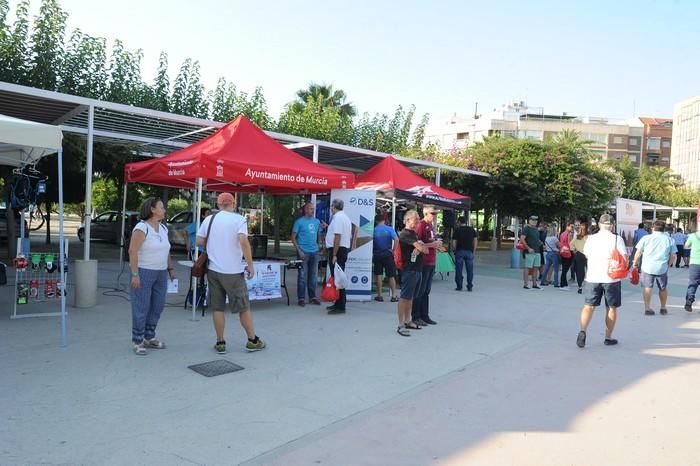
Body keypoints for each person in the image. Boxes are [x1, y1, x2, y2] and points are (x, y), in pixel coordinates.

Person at [196, 193, 265, 354]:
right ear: (233, 204)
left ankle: (220, 342)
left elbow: (199, 241)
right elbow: (243, 241)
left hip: (213, 270)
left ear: (219, 204)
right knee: (243, 307)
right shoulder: (238, 220)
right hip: (233, 271)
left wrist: (213, 243)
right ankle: (252, 340)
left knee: (218, 308)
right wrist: (250, 264)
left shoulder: (209, 219)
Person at [128, 197, 177, 355]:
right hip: (144, 271)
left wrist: (170, 269)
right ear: (152, 209)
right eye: (161, 207)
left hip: (161, 272)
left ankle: (149, 336)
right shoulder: (142, 228)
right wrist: (135, 274)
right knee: (141, 306)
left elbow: (166, 250)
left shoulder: (163, 228)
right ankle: (138, 340)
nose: (164, 210)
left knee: (158, 305)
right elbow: (132, 251)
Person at [576, 214, 627, 348]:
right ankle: (608, 337)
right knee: (611, 307)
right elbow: (624, 258)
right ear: (612, 225)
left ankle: (582, 331)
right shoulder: (617, 238)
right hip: (611, 278)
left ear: (599, 225)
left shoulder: (591, 239)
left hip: (592, 276)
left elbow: (586, 254)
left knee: (589, 306)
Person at [632, 220, 676, 316]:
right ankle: (663, 307)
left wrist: (635, 262)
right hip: (662, 267)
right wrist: (669, 264)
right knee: (663, 288)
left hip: (647, 267)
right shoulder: (669, 239)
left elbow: (638, 252)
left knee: (647, 287)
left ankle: (647, 308)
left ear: (652, 228)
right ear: (663, 229)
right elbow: (673, 255)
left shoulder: (646, 238)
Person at [396, 210, 428, 336]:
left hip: (417, 269)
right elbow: (422, 248)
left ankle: (408, 320)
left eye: (418, 221)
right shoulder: (405, 234)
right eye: (415, 221)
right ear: (408, 220)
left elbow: (424, 250)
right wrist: (419, 246)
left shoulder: (413, 234)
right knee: (404, 297)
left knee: (411, 297)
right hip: (409, 269)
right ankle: (400, 324)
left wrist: (420, 246)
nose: (417, 224)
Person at [411, 205, 443, 326]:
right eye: (432, 213)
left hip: (431, 261)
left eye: (436, 214)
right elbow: (416, 243)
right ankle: (416, 316)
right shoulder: (421, 225)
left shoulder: (430, 226)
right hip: (423, 262)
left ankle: (425, 315)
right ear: (425, 214)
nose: (435, 216)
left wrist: (437, 244)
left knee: (426, 290)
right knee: (420, 290)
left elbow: (429, 241)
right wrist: (432, 245)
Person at [291, 202, 322, 307]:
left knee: (313, 275)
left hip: (314, 252)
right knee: (302, 276)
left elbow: (318, 234)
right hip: (303, 252)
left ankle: (312, 297)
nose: (312, 211)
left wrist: (319, 245)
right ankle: (301, 298)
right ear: (305, 210)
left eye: (313, 209)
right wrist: (299, 250)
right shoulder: (299, 222)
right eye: (310, 209)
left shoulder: (316, 221)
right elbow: (293, 237)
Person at [325, 198, 352, 315]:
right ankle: (338, 303)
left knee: (338, 278)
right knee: (338, 278)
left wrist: (334, 254)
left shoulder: (338, 218)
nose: (331, 208)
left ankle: (341, 306)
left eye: (332, 206)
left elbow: (337, 237)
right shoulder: (345, 217)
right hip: (342, 249)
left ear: (334, 207)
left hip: (337, 250)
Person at [372, 214, 399, 302]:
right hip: (387, 254)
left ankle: (379, 296)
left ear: (376, 221)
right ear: (384, 220)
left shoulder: (373, 230)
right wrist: (393, 250)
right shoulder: (389, 229)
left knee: (378, 274)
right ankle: (394, 296)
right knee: (391, 275)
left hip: (377, 254)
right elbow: (397, 239)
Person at [452, 215, 477, 291]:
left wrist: (454, 250)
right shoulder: (472, 229)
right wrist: (474, 250)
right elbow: (475, 240)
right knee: (470, 270)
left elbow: (454, 242)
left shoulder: (457, 230)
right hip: (469, 251)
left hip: (460, 251)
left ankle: (459, 286)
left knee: (459, 270)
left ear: (459, 222)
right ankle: (469, 286)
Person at [519, 215, 542, 290]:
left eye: (536, 220)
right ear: (529, 220)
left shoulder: (535, 229)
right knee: (528, 267)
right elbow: (522, 239)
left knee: (535, 267)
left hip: (537, 251)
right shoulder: (526, 228)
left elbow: (536, 239)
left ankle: (534, 284)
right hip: (530, 251)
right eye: (533, 220)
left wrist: (540, 243)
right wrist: (528, 248)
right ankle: (525, 284)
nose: (535, 221)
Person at [684, 229, 700, 312]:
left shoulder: (693, 236)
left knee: (693, 283)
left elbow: (686, 246)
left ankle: (689, 302)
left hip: (695, 263)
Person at [570, 222, 588, 294]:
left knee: (579, 271)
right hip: (587, 254)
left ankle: (580, 286)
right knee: (589, 270)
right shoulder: (588, 237)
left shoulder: (576, 237)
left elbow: (571, 245)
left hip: (578, 254)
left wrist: (575, 251)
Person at [559, 223, 574, 289]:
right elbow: (570, 243)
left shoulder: (562, 234)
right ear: (567, 226)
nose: (572, 228)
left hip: (562, 251)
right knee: (566, 269)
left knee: (564, 268)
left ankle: (564, 283)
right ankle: (563, 284)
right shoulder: (569, 234)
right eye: (571, 227)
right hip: (568, 252)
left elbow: (561, 243)